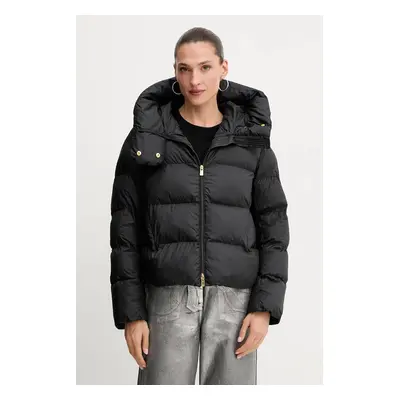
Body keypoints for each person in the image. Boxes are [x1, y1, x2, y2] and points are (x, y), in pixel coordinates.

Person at [109, 27, 290, 385]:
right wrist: (132, 313)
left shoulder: (250, 139)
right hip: (166, 298)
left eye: (205, 67)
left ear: (224, 68)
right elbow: (124, 228)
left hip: (235, 302)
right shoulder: (148, 137)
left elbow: (274, 226)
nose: (195, 80)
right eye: (185, 69)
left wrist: (264, 307)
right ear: (175, 72)